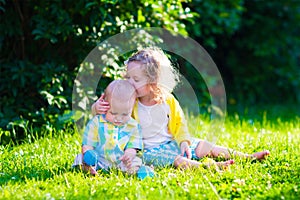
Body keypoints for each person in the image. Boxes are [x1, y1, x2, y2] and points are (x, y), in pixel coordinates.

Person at [92, 47, 269, 170]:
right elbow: (108, 115)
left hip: (172, 143)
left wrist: (184, 141)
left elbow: (179, 124)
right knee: (177, 161)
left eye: (136, 79)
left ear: (154, 81)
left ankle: (246, 157)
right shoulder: (129, 100)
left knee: (204, 146)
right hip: (147, 151)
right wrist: (96, 108)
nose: (130, 82)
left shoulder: (167, 100)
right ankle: (208, 168)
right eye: (128, 77)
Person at [73, 79, 154, 179]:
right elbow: (87, 144)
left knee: (135, 161)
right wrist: (89, 153)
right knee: (81, 158)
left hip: (121, 161)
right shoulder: (96, 122)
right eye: (113, 113)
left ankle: (140, 172)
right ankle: (89, 168)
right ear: (105, 105)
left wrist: (129, 155)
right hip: (100, 159)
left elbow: (133, 146)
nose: (119, 118)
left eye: (125, 114)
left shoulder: (133, 126)